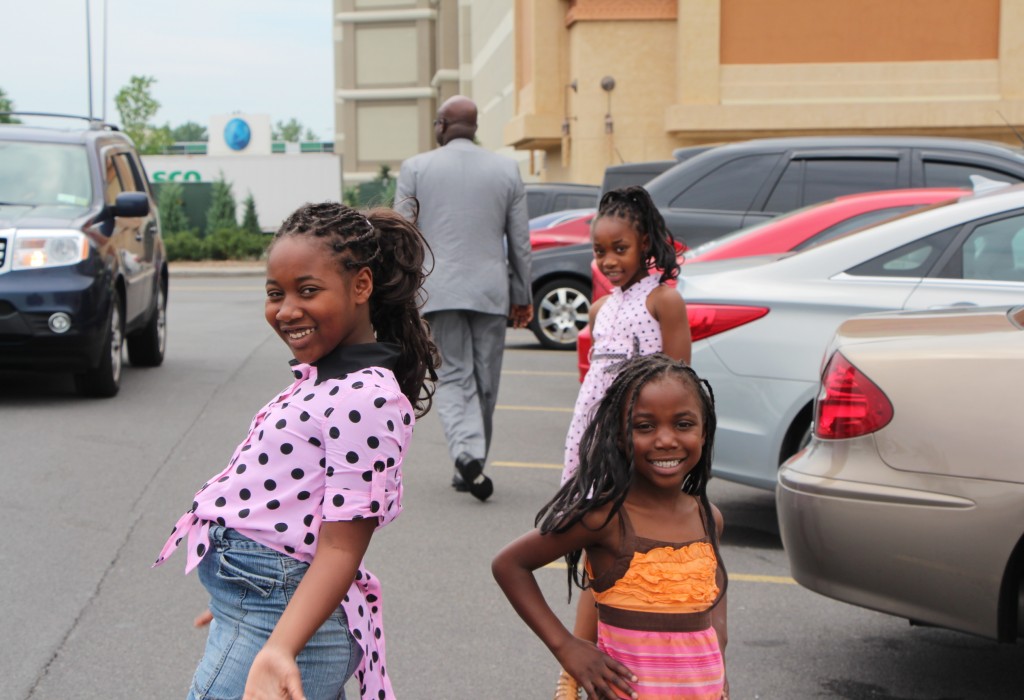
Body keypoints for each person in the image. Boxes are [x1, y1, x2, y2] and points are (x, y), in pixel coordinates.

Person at [154, 202, 440, 700]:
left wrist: (278, 638)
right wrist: (238, 601)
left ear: (361, 286)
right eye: (275, 293)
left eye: (308, 290)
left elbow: (342, 547)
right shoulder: (327, 379)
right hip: (266, 608)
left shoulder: (365, 397)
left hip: (281, 619)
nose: (286, 310)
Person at [492, 354, 728, 700]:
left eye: (683, 424)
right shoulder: (606, 518)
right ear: (618, 436)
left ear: (704, 432)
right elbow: (510, 564)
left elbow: (714, 590)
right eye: (644, 426)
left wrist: (720, 656)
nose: (666, 440)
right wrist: (567, 647)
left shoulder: (708, 517)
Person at [555, 185, 692, 698]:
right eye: (599, 251)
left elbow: (680, 385)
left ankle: (627, 662)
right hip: (593, 442)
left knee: (628, 552)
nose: (608, 260)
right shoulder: (600, 309)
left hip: (635, 443)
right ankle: (573, 674)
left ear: (645, 245)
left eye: (620, 248)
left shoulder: (663, 300)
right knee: (598, 550)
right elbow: (592, 386)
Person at [395, 94, 533, 501]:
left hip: (438, 290)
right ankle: (472, 461)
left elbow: (402, 236)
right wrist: (523, 294)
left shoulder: (416, 167)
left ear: (442, 125)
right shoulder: (506, 169)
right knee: (486, 380)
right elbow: (520, 242)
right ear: (474, 127)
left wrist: (399, 293)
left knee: (454, 375)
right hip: (491, 291)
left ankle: (467, 455)